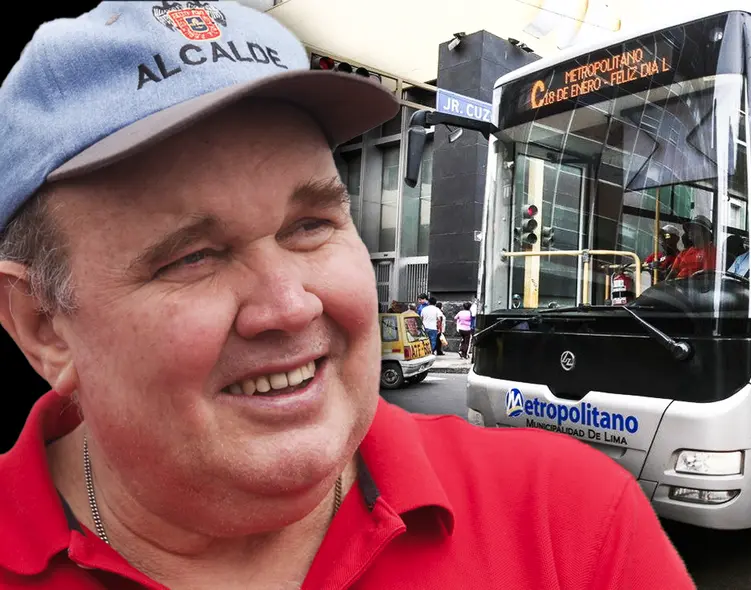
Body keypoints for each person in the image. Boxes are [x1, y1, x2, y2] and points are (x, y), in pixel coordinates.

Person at [0, 4, 694, 588]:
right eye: (191, 256)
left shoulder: (572, 527)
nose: (291, 305)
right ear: (43, 327)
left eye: (311, 225)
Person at [666, 215, 717, 280]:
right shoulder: (684, 253)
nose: (690, 232)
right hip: (677, 285)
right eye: (690, 229)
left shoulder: (712, 252)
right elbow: (672, 273)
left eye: (695, 229)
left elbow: (707, 279)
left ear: (705, 233)